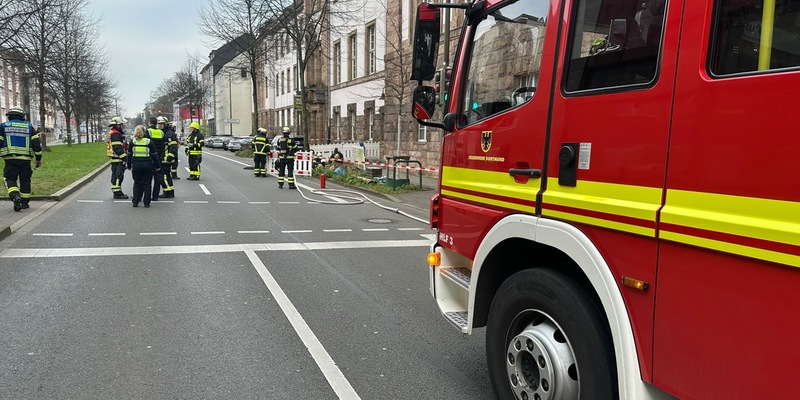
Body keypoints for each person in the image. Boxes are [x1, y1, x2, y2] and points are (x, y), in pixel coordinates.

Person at [0, 107, 42, 211]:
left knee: (10, 179)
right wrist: (38, 158)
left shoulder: (3, 126)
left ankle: (15, 197)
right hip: (26, 159)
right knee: (25, 180)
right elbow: (36, 144)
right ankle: (24, 203)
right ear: (22, 116)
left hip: (10, 159)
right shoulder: (29, 127)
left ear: (9, 116)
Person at [126, 125, 161, 208]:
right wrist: (158, 165)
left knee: (137, 183)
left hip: (136, 165)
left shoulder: (132, 141)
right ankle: (146, 203)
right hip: (147, 165)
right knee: (147, 184)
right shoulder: (149, 142)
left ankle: (135, 201)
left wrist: (128, 165)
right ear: (144, 132)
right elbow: (154, 155)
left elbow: (129, 155)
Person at [105, 116, 129, 199]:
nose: (122, 126)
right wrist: (125, 158)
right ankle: (117, 193)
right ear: (117, 125)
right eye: (121, 124)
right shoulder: (115, 134)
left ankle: (118, 191)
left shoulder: (113, 132)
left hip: (115, 158)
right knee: (118, 175)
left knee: (116, 175)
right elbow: (117, 148)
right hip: (117, 158)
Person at [145, 116, 168, 200]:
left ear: (149, 123)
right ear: (156, 123)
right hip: (159, 157)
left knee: (147, 178)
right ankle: (155, 196)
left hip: (149, 157)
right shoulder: (161, 132)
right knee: (157, 177)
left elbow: (146, 144)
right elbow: (163, 145)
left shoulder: (148, 131)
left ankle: (146, 195)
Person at [157, 116, 176, 198]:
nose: (160, 126)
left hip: (166, 159)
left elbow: (173, 147)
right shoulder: (163, 133)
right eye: (159, 124)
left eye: (161, 124)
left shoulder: (169, 134)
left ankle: (168, 192)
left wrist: (170, 157)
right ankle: (169, 191)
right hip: (163, 159)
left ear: (165, 124)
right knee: (166, 176)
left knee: (164, 176)